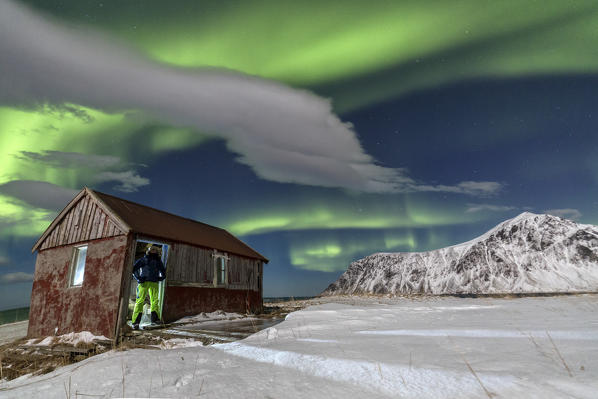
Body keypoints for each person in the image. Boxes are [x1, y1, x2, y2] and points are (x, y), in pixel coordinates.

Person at [131, 245, 166, 330]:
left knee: (155, 301)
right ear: (148, 251)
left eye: (155, 250)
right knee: (140, 301)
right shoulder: (143, 259)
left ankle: (155, 320)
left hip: (154, 282)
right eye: (151, 249)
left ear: (157, 251)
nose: (153, 251)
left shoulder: (158, 261)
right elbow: (134, 269)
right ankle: (135, 322)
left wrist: (161, 277)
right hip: (144, 282)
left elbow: (163, 271)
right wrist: (138, 277)